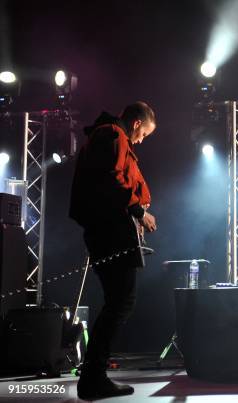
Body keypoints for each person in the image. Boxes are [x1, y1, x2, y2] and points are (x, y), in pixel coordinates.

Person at [69, 101, 157, 399]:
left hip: (112, 230)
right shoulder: (112, 136)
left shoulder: (111, 137)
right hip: (109, 232)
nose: (142, 140)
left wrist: (137, 212)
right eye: (144, 133)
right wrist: (137, 211)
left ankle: (95, 375)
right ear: (135, 124)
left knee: (119, 301)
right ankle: (93, 377)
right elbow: (112, 178)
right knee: (120, 302)